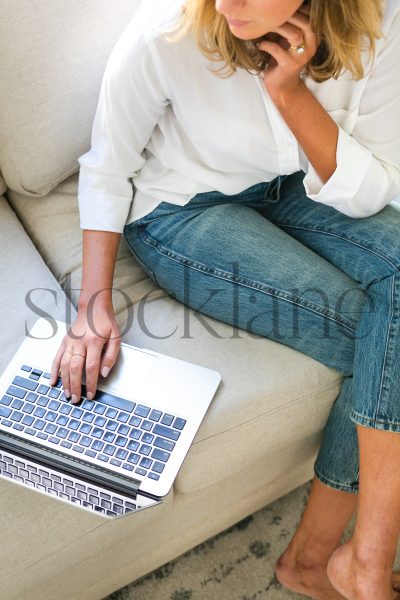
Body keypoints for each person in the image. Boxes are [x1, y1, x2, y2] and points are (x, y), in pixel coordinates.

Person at [50, 0, 400, 597]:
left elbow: (371, 190)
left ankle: (340, 561)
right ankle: (341, 562)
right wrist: (92, 307)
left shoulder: (380, 18)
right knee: (381, 343)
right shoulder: (167, 28)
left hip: (294, 189)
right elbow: (106, 168)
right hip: (183, 210)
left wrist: (290, 93)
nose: (227, 2)